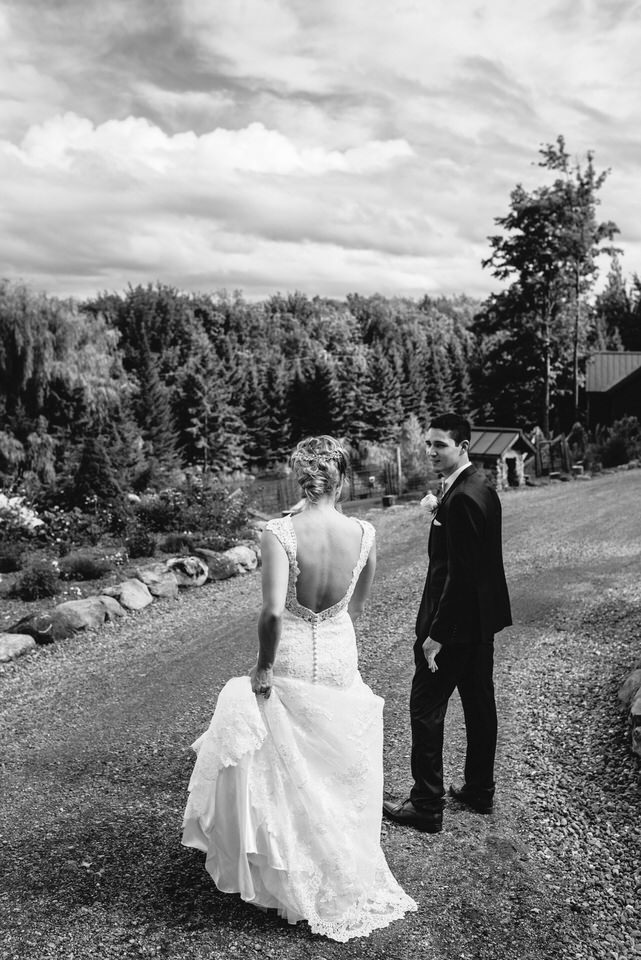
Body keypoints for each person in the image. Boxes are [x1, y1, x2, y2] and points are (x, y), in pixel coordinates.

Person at [182, 435, 417, 942]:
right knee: (333, 762)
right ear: (344, 479)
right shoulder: (365, 532)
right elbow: (356, 608)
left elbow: (271, 612)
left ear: (298, 478)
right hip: (337, 651)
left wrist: (264, 668)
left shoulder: (278, 532)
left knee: (283, 760)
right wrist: (331, 632)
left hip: (289, 653)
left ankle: (286, 874)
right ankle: (336, 862)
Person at [383, 413, 512, 834]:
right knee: (478, 704)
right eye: (429, 444)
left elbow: (461, 574)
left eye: (440, 444)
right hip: (479, 624)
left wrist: (436, 634)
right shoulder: (478, 486)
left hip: (455, 626)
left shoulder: (461, 498)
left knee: (424, 708)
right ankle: (479, 789)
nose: (432, 451)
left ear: (463, 446)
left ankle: (425, 805)